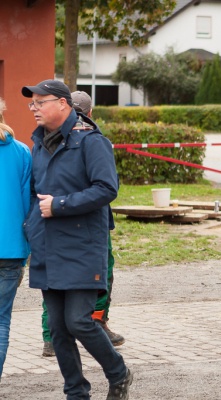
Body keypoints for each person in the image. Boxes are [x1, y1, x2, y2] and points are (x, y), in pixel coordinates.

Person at [22, 79, 132, 399]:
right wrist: (31, 226)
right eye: (33, 103)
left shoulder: (91, 141)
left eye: (40, 102)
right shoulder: (38, 144)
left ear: (62, 104)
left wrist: (59, 206)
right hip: (47, 246)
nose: (34, 109)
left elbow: (106, 189)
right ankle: (76, 392)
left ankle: (119, 372)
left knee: (79, 322)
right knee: (57, 329)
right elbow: (33, 193)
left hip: (82, 247)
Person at [40, 91, 125, 358]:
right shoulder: (95, 141)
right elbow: (109, 187)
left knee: (55, 279)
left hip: (58, 221)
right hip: (85, 223)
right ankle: (95, 324)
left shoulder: (49, 141)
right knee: (99, 275)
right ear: (90, 113)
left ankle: (52, 336)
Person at [0, 98, 32, 381]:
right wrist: (24, 252)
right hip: (10, 250)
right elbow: (27, 207)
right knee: (0, 323)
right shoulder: (22, 152)